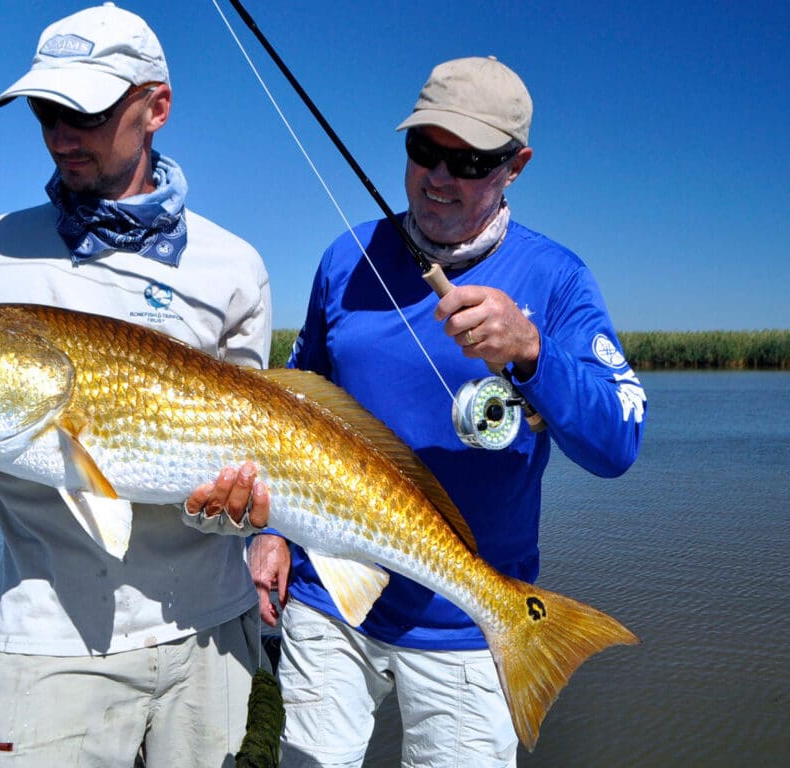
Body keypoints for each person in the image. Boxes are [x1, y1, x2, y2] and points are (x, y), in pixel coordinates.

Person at [0, 4, 272, 766]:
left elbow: (253, 459)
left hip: (211, 629)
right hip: (49, 634)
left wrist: (240, 515)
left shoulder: (234, 266)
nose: (62, 134)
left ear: (156, 106)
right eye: (45, 112)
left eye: (86, 111)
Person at [191, 56, 647, 766]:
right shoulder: (346, 260)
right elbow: (291, 405)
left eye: (469, 161)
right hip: (327, 601)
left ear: (515, 165)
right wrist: (274, 532)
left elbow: (619, 443)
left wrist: (532, 352)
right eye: (423, 150)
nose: (439, 176)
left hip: (466, 624)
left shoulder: (556, 279)